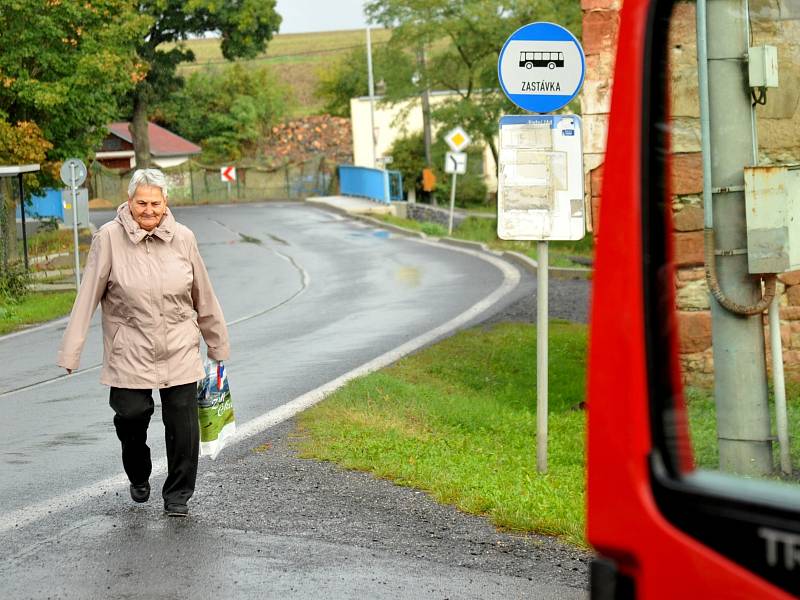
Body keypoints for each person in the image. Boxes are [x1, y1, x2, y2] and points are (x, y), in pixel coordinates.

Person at [57, 168, 230, 517]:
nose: (148, 209)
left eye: (155, 202)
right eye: (141, 202)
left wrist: (217, 345)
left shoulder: (184, 238)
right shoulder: (108, 238)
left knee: (183, 424)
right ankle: (138, 471)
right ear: (129, 200)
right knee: (131, 416)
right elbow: (87, 295)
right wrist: (70, 351)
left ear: (166, 202)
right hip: (129, 349)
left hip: (179, 346)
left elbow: (204, 295)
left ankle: (178, 495)